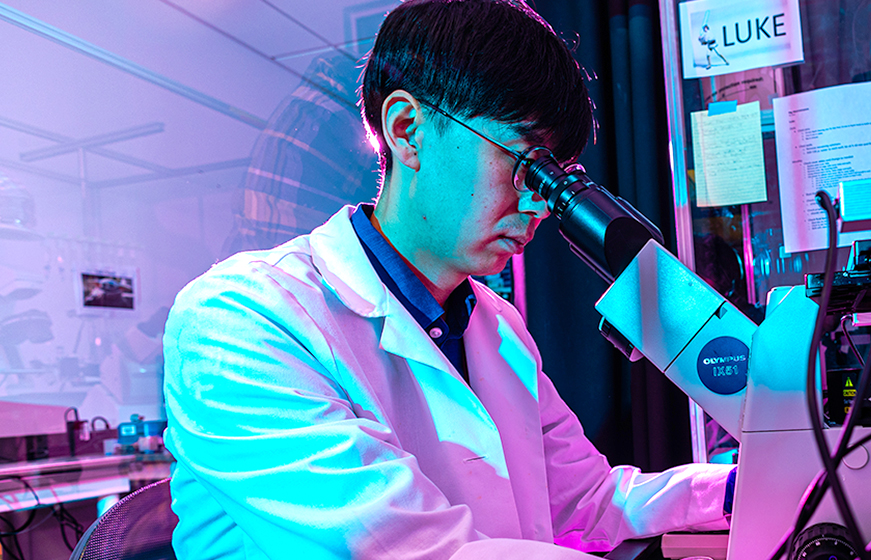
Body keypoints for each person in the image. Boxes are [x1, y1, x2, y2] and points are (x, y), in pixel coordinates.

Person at [162, 1, 734, 559]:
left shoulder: (495, 325)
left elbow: (584, 504)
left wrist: (738, 486)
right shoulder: (241, 318)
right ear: (408, 129)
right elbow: (410, 549)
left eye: (556, 175)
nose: (539, 202)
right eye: (526, 163)